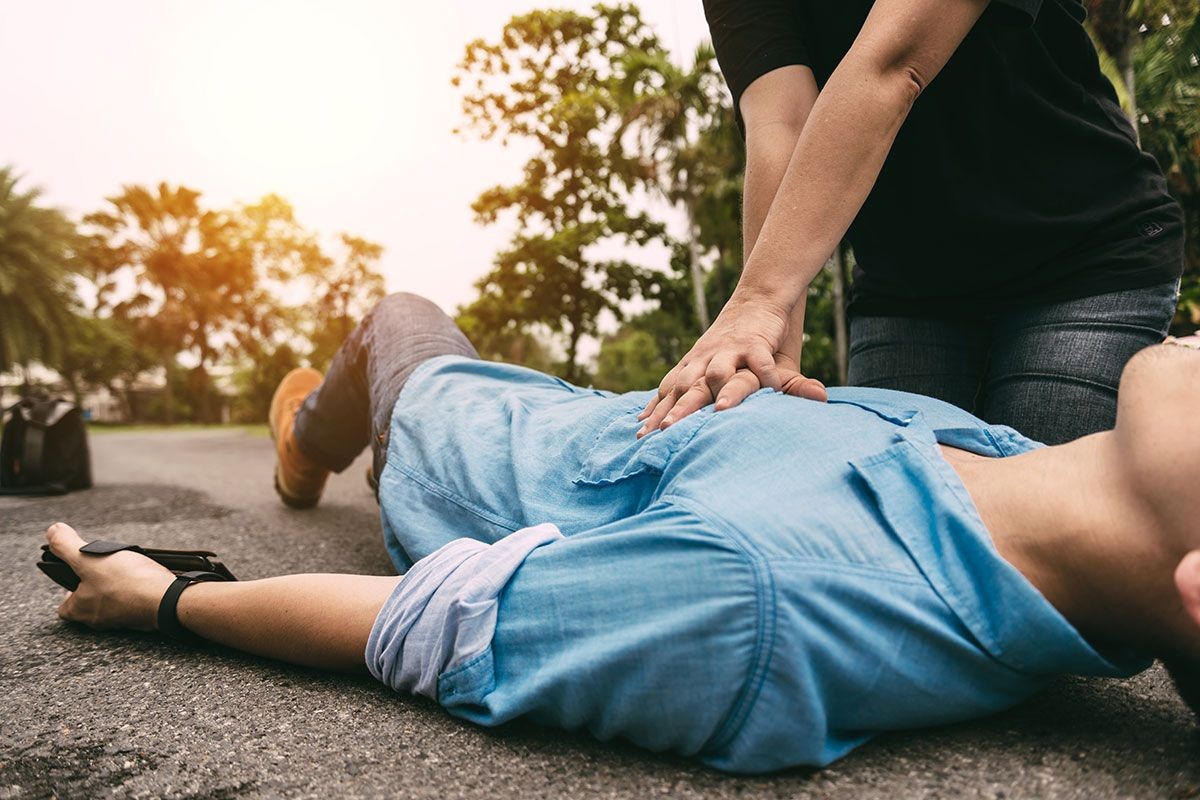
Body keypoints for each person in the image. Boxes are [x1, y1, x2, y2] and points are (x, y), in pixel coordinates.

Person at [46, 293, 1200, 774]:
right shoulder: (1008, 460)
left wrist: (161, 600)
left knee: (398, 314)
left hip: (463, 435)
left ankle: (307, 440)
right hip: (591, 414)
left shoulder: (761, 598)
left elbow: (431, 618)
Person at [637, 0, 1185, 446]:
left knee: (1027, 515)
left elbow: (895, 63)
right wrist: (772, 346)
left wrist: (760, 299)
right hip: (910, 287)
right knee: (903, 515)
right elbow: (782, 122)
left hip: (1083, 260)